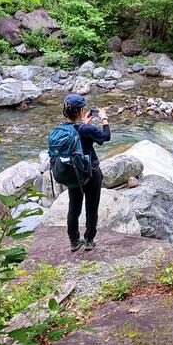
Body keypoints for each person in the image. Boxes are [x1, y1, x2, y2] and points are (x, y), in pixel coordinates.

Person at [60, 93, 110, 252]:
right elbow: (106, 137)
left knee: (74, 207)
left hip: (72, 173)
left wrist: (84, 123)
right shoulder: (86, 129)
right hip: (90, 173)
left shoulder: (62, 129)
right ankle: (89, 240)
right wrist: (104, 118)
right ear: (82, 110)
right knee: (91, 207)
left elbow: (77, 134)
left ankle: (74, 241)